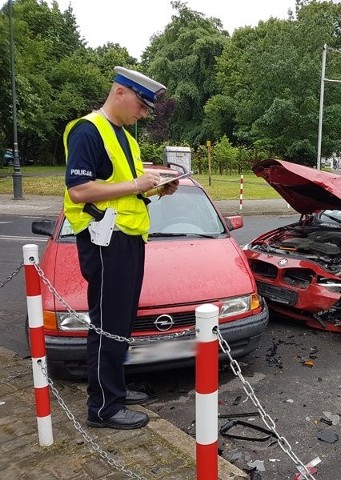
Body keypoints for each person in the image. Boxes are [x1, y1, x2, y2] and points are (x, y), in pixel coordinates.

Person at [64, 66, 177, 430]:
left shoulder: (125, 137)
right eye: (141, 106)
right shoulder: (88, 130)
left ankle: (115, 389)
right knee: (107, 323)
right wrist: (136, 184)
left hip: (127, 237)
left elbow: (125, 185)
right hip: (104, 239)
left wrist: (155, 187)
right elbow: (79, 190)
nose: (143, 114)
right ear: (120, 93)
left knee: (121, 320)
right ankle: (103, 408)